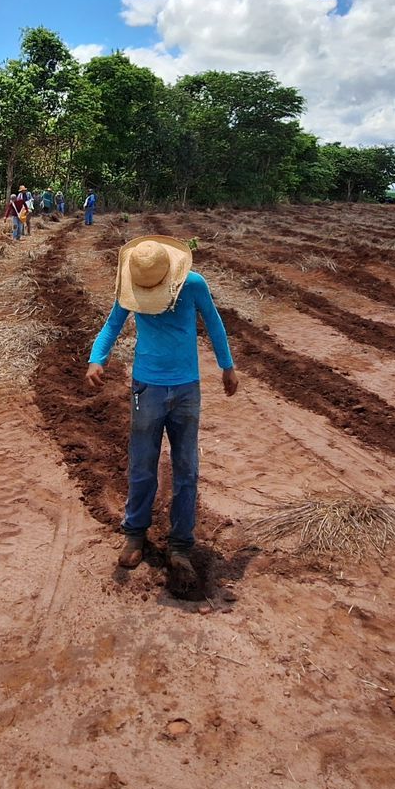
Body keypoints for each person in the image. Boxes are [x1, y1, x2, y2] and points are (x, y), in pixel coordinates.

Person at [85, 235, 238, 588]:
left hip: (186, 388)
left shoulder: (194, 284)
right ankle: (135, 533)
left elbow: (214, 323)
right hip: (146, 387)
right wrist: (97, 359)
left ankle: (181, 545)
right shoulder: (132, 286)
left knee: (186, 468)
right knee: (142, 465)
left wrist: (227, 366)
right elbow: (112, 325)